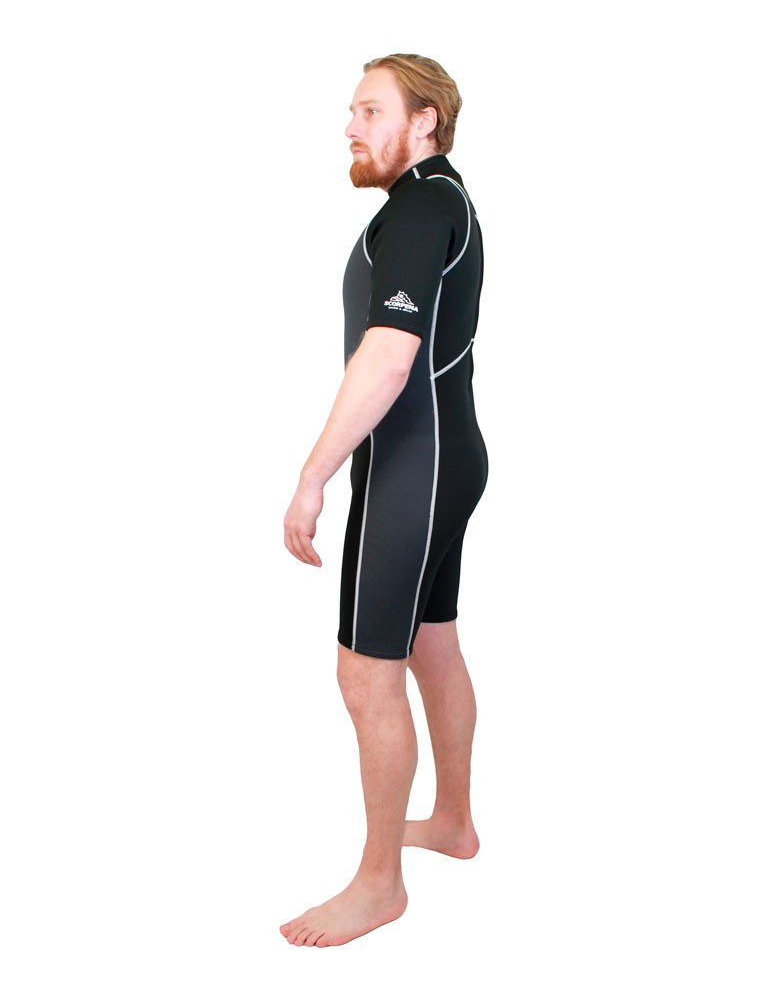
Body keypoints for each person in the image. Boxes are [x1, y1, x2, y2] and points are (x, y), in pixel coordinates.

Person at [280, 53, 488, 948]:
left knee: (367, 673)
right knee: (431, 644)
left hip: (413, 468)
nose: (351, 127)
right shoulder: (442, 201)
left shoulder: (417, 209)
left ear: (424, 121)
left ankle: (378, 885)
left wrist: (313, 475)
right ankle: (453, 822)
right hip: (444, 458)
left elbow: (390, 356)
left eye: (370, 111)